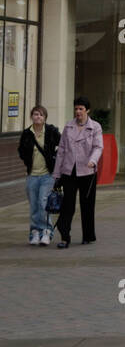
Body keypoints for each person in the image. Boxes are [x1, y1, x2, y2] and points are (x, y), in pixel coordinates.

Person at [53, 97, 103, 248]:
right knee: (67, 205)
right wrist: (56, 174)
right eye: (76, 109)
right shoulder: (68, 126)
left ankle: (88, 235)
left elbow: (98, 147)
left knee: (87, 204)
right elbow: (61, 151)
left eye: (81, 109)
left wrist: (93, 161)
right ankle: (64, 237)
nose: (78, 112)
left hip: (87, 171)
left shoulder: (95, 127)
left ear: (87, 110)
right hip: (69, 171)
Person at [18, 105, 61, 246]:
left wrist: (55, 160)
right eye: (36, 114)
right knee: (34, 206)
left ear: (45, 118)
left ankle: (47, 232)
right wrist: (27, 161)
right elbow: (21, 151)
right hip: (32, 175)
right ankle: (35, 231)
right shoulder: (27, 133)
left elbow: (62, 146)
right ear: (31, 116)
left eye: (41, 115)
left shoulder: (51, 131)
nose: (38, 117)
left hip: (47, 175)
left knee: (43, 203)